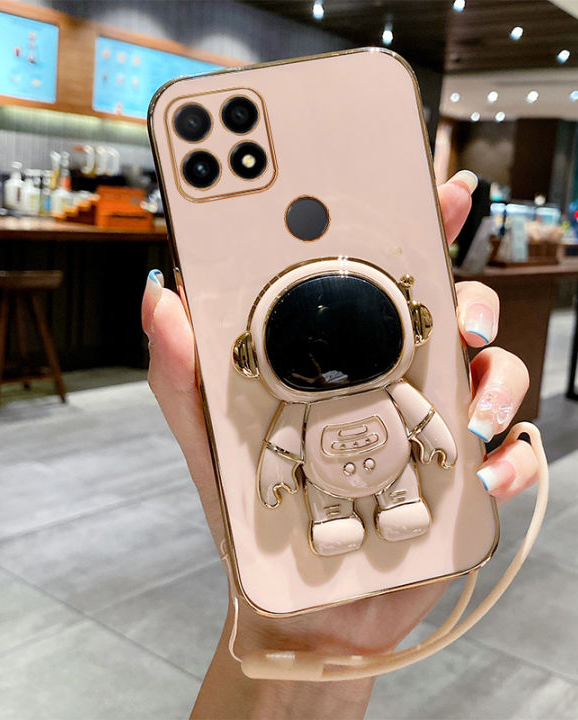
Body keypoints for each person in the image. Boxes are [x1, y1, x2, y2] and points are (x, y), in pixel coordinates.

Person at [141, 170, 540, 719]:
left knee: (388, 489)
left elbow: (409, 421)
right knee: (335, 500)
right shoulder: (322, 400)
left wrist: (445, 442)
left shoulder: (358, 393)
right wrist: (293, 636)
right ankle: (342, 516)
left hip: (383, 468)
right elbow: (284, 449)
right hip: (334, 479)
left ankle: (393, 504)